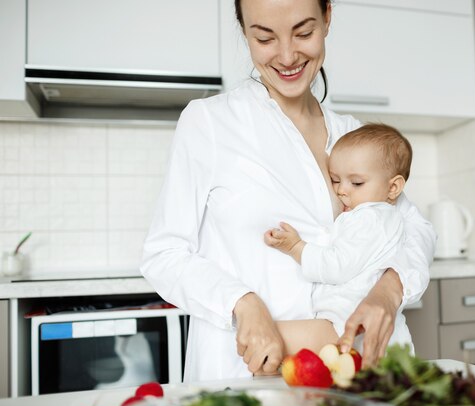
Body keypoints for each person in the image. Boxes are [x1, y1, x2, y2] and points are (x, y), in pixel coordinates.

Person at [141, 0, 435, 382]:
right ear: (244, 31)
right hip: (247, 374)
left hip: (353, 369)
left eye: (303, 32)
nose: (286, 55)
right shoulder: (209, 122)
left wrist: (390, 290)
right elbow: (164, 254)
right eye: (264, 37)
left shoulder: (354, 136)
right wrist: (241, 302)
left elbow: (416, 230)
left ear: (328, 16)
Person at [264, 123, 415, 353]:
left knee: (267, 341)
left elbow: (338, 266)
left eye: (356, 183)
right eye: (336, 180)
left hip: (347, 325)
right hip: (344, 322)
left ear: (393, 187)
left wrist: (296, 247)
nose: (342, 190)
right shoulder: (368, 214)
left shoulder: (372, 219)